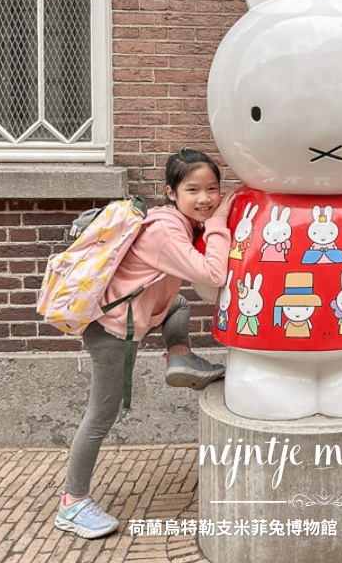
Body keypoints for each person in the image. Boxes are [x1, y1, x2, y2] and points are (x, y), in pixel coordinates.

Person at [55, 148, 236, 539]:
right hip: (112, 330)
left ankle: (180, 357)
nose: (205, 198)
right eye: (193, 190)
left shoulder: (180, 222)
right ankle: (72, 502)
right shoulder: (164, 231)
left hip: (144, 314)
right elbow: (214, 272)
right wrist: (220, 222)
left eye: (213, 189)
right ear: (171, 192)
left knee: (180, 304)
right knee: (100, 416)